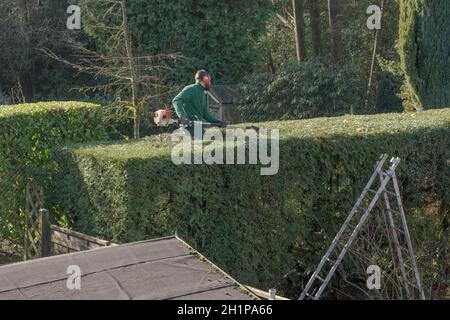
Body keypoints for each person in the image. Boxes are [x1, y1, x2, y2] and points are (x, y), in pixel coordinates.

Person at [172, 70, 225, 137]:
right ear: (205, 79)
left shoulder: (202, 93)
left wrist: (217, 122)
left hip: (198, 129)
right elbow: (176, 100)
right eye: (209, 80)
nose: (210, 83)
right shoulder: (191, 89)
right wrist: (183, 116)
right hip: (188, 130)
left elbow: (205, 114)